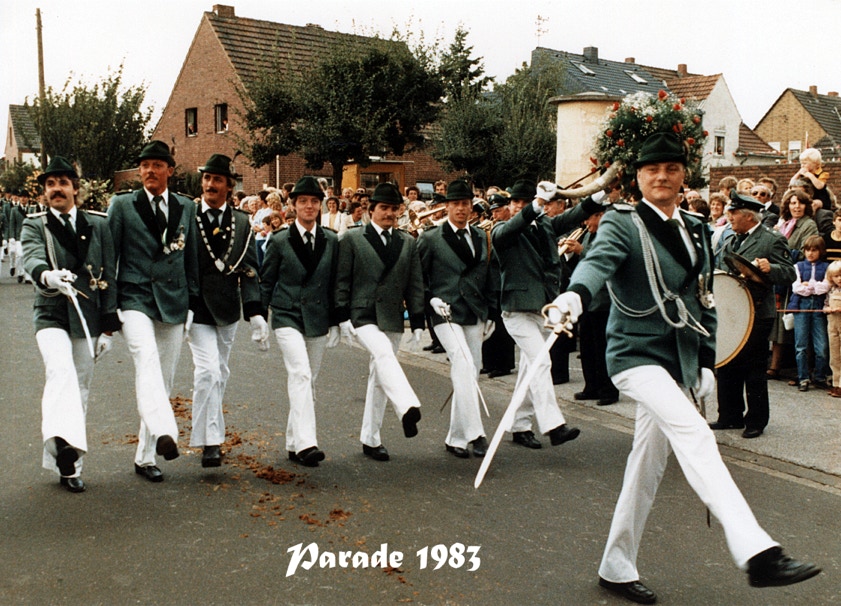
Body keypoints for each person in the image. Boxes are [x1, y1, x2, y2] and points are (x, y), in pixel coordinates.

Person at [552, 132, 820, 603]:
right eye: (652, 169)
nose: (662, 177)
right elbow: (597, 263)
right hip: (634, 356)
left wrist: (706, 361)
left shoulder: (695, 227)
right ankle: (757, 551)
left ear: (683, 176)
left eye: (671, 169)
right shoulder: (622, 223)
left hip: (678, 357)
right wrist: (575, 294)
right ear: (638, 177)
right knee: (695, 434)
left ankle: (616, 565)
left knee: (646, 467)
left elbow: (705, 298)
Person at [21, 157, 119, 493]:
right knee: (59, 371)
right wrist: (47, 275)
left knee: (80, 387)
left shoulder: (99, 224)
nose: (56, 189)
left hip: (88, 317)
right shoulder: (35, 224)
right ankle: (61, 445)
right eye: (50, 184)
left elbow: (108, 274)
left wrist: (108, 328)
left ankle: (70, 464)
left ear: (76, 189)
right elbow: (31, 256)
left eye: (63, 183)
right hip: (51, 312)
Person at [108, 140, 200, 482]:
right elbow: (110, 258)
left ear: (169, 171)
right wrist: (109, 307)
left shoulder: (185, 207)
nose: (149, 170)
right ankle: (165, 431)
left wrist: (191, 303)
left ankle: (145, 456)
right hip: (134, 297)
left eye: (157, 165)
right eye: (144, 165)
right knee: (146, 359)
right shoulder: (122, 205)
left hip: (174, 300)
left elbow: (191, 257)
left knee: (164, 376)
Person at [491, 178, 595, 450]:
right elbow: (515, 225)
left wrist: (599, 195)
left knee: (530, 371)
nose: (519, 206)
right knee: (541, 363)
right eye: (515, 201)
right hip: (516, 310)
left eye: (524, 201)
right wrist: (536, 204)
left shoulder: (545, 224)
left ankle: (520, 425)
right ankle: (554, 426)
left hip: (543, 309)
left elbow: (574, 215)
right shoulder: (502, 229)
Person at [334, 182, 425, 461]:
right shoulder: (352, 238)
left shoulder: (407, 242)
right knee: (384, 354)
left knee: (380, 374)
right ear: (370, 210)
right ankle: (407, 407)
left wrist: (418, 322)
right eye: (384, 208)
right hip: (362, 314)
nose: (389, 213)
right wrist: (341, 316)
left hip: (392, 316)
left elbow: (415, 284)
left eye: (394, 209)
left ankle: (371, 438)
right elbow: (341, 280)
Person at [187, 154, 267, 468]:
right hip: (196, 308)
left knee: (219, 372)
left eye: (217, 180)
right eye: (207, 178)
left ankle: (210, 436)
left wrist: (255, 311)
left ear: (229, 186)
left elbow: (249, 269)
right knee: (207, 371)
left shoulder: (243, 222)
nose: (210, 184)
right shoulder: (188, 216)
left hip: (227, 308)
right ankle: (210, 442)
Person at [260, 176, 340, 467]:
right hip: (287, 314)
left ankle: (293, 443)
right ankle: (307, 443)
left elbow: (335, 283)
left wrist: (337, 320)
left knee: (309, 380)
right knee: (301, 374)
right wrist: (259, 316)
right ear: (292, 205)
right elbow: (266, 280)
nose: (309, 206)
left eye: (315, 202)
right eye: (303, 201)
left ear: (321, 206)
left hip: (317, 316)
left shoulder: (331, 240)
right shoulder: (280, 240)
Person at [417, 180, 494, 459]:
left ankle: (456, 438)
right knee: (462, 362)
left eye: (465, 204)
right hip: (445, 312)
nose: (461, 209)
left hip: (474, 311)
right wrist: (430, 300)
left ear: (471, 207)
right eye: (456, 204)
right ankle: (476, 433)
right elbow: (418, 278)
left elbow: (489, 275)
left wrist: (491, 312)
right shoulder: (431, 238)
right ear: (446, 206)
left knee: (472, 371)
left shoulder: (482, 236)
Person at [712, 192, 796, 439]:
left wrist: (772, 268)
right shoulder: (731, 239)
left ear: (748, 216)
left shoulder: (771, 239)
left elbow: (789, 273)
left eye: (733, 213)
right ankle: (730, 415)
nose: (730, 218)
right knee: (727, 363)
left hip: (758, 312)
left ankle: (756, 420)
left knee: (754, 367)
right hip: (732, 311)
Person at [767, 188, 819, 379]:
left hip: (796, 278)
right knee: (777, 324)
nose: (797, 207)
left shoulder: (808, 224)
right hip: (778, 276)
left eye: (800, 203)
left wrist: (782, 254)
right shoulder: (784, 224)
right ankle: (774, 365)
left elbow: (804, 251)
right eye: (793, 203)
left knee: (795, 327)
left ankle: (799, 370)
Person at [789, 235, 830, 392]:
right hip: (801, 307)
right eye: (807, 250)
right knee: (801, 345)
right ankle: (803, 377)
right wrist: (812, 287)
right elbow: (796, 288)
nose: (810, 253)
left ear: (821, 251)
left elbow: (825, 287)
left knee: (822, 347)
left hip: (818, 307)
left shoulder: (826, 267)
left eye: (814, 250)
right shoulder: (798, 266)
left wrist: (809, 285)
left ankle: (819, 376)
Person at [481, 194, 516, 378]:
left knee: (502, 326)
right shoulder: (491, 228)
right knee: (489, 323)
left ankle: (504, 364)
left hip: (503, 282)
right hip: (490, 283)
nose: (494, 215)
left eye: (498, 211)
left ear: (507, 209)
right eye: (493, 212)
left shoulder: (509, 229)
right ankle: (489, 362)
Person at [823, 260, 841, 397]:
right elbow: (825, 305)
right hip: (833, 326)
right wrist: (827, 309)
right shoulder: (831, 290)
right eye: (836, 276)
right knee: (834, 355)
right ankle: (835, 383)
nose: (839, 279)